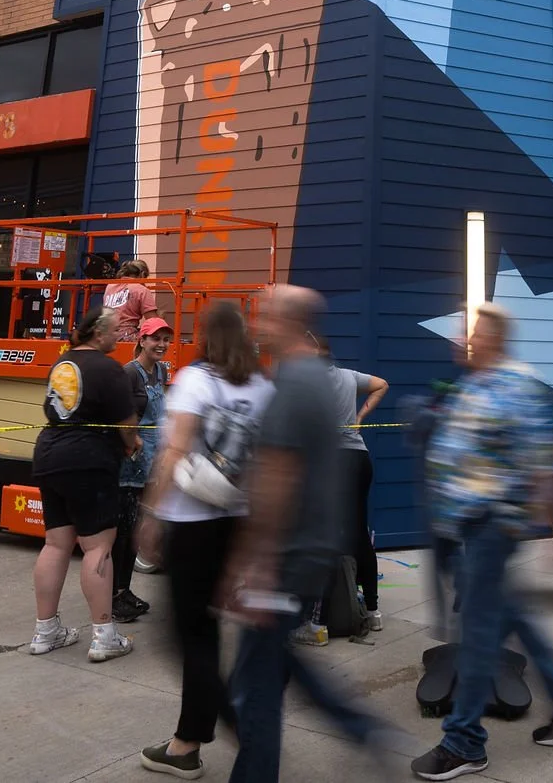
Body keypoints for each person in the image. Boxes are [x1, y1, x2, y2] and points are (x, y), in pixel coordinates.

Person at [413, 302, 553, 781]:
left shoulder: (516, 385)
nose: (469, 341)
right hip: (469, 527)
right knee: (511, 616)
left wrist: (547, 527)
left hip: (495, 524)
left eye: (477, 334)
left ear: (496, 338)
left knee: (476, 634)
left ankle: (464, 742)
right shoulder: (474, 383)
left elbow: (547, 463)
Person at [223, 285, 382, 783]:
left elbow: (276, 479)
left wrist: (254, 561)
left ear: (291, 323)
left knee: (256, 686)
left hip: (286, 557)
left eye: (267, 315)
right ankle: (360, 727)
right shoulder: (316, 378)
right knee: (269, 663)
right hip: (310, 552)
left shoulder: (293, 383)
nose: (259, 324)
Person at [137, 302, 274, 779]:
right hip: (237, 520)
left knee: (186, 637)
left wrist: (152, 514)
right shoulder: (263, 387)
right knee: (204, 633)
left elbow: (175, 449)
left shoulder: (195, 380)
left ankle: (247, 734)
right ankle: (185, 743)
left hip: (191, 521)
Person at [30, 305, 140, 662]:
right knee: (98, 547)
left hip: (49, 455)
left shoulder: (62, 362)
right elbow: (127, 424)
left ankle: (45, 631)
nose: (121, 336)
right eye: (116, 331)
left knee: (56, 543)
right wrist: (130, 445)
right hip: (88, 461)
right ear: (98, 333)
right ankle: (104, 635)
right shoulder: (109, 369)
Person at [111, 315, 172, 625]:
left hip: (152, 458)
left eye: (165, 339)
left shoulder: (160, 370)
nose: (161, 344)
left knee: (136, 530)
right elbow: (121, 416)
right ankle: (113, 596)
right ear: (142, 341)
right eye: (155, 338)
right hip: (131, 461)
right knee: (122, 532)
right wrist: (131, 441)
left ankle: (125, 589)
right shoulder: (129, 374)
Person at [323, 345, 388, 632]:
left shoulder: (309, 383)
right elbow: (382, 384)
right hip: (360, 459)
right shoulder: (348, 376)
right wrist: (360, 417)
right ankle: (373, 611)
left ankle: (320, 620)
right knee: (359, 533)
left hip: (334, 462)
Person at [103, 258, 157, 342]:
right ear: (142, 274)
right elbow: (153, 321)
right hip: (126, 336)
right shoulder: (141, 289)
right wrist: (160, 317)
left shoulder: (110, 286)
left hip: (105, 334)